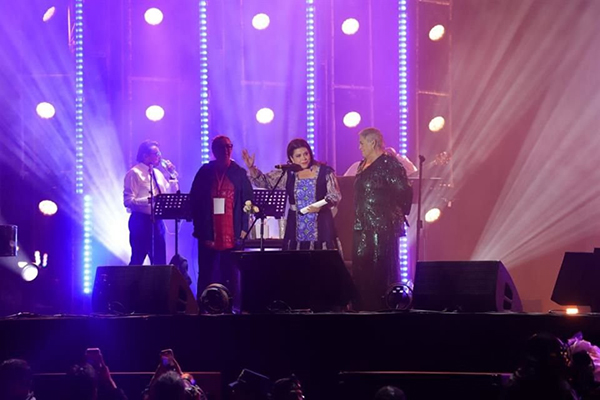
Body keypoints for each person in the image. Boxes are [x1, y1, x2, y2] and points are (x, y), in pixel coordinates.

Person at [242, 138, 341, 250]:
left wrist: (321, 206)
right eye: (298, 156)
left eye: (306, 154)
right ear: (291, 158)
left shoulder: (325, 172)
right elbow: (265, 182)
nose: (304, 158)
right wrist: (251, 167)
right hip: (295, 225)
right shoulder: (288, 174)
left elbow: (335, 195)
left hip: (321, 223)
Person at [352, 128, 412, 311]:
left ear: (373, 143)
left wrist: (392, 211)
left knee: (381, 267)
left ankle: (382, 307)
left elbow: (404, 191)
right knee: (362, 265)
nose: (359, 147)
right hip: (362, 224)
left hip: (382, 225)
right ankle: (363, 305)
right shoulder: (362, 165)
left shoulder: (390, 165)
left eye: (362, 143)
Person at [190, 136, 253, 303]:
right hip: (208, 230)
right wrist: (198, 227)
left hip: (232, 229)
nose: (226, 150)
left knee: (231, 272)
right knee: (206, 271)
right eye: (221, 147)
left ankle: (232, 305)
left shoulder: (238, 172)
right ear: (214, 150)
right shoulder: (205, 171)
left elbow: (247, 200)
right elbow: (194, 200)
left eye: (228, 146)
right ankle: (203, 306)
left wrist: (244, 227)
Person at [123, 140, 179, 265]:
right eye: (156, 153)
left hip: (157, 221)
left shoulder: (157, 174)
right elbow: (128, 201)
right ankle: (133, 278)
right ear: (145, 156)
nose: (160, 156)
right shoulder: (134, 173)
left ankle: (158, 279)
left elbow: (171, 193)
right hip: (141, 221)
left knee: (160, 261)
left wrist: (172, 175)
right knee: (137, 260)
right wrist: (150, 200)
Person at [344, 147, 417, 177]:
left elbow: (413, 173)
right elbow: (345, 184)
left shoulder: (393, 168)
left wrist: (396, 156)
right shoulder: (357, 166)